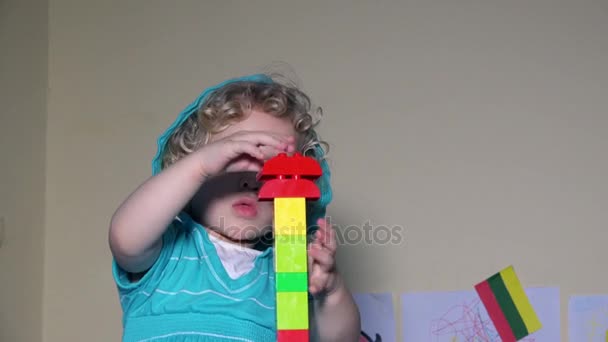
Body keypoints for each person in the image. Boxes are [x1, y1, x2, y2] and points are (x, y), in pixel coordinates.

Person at [109, 72, 361, 341]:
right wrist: (201, 165)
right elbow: (125, 239)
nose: (252, 180)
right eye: (235, 159)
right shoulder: (168, 251)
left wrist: (330, 292)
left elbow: (340, 339)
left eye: (273, 171)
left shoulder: (285, 268)